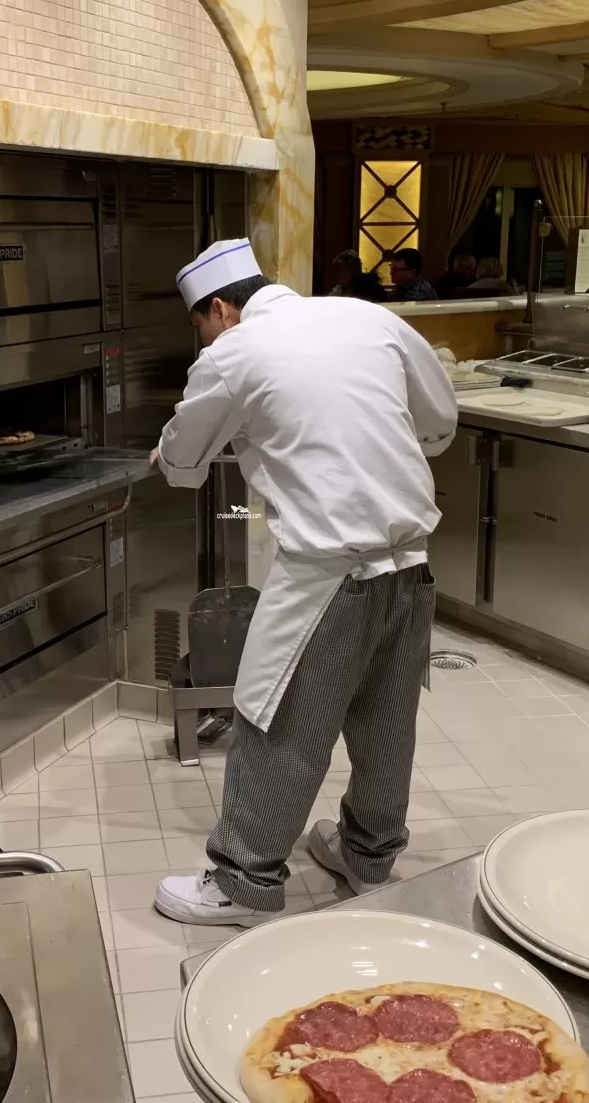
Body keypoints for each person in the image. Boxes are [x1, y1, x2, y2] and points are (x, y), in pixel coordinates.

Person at [147, 237, 458, 926]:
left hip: (327, 572)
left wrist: (166, 455)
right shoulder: (368, 318)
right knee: (385, 718)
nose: (204, 340)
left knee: (279, 719)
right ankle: (368, 856)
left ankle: (244, 884)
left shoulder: (234, 352)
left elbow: (184, 461)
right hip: (411, 563)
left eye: (200, 325)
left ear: (220, 309)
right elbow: (440, 424)